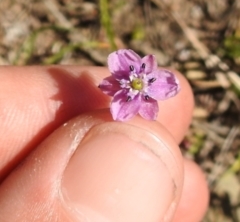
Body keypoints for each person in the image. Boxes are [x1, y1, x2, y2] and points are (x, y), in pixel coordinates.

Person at [0, 66, 209, 222]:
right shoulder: (122, 80)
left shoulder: (148, 97)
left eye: (140, 83)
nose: (138, 83)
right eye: (136, 81)